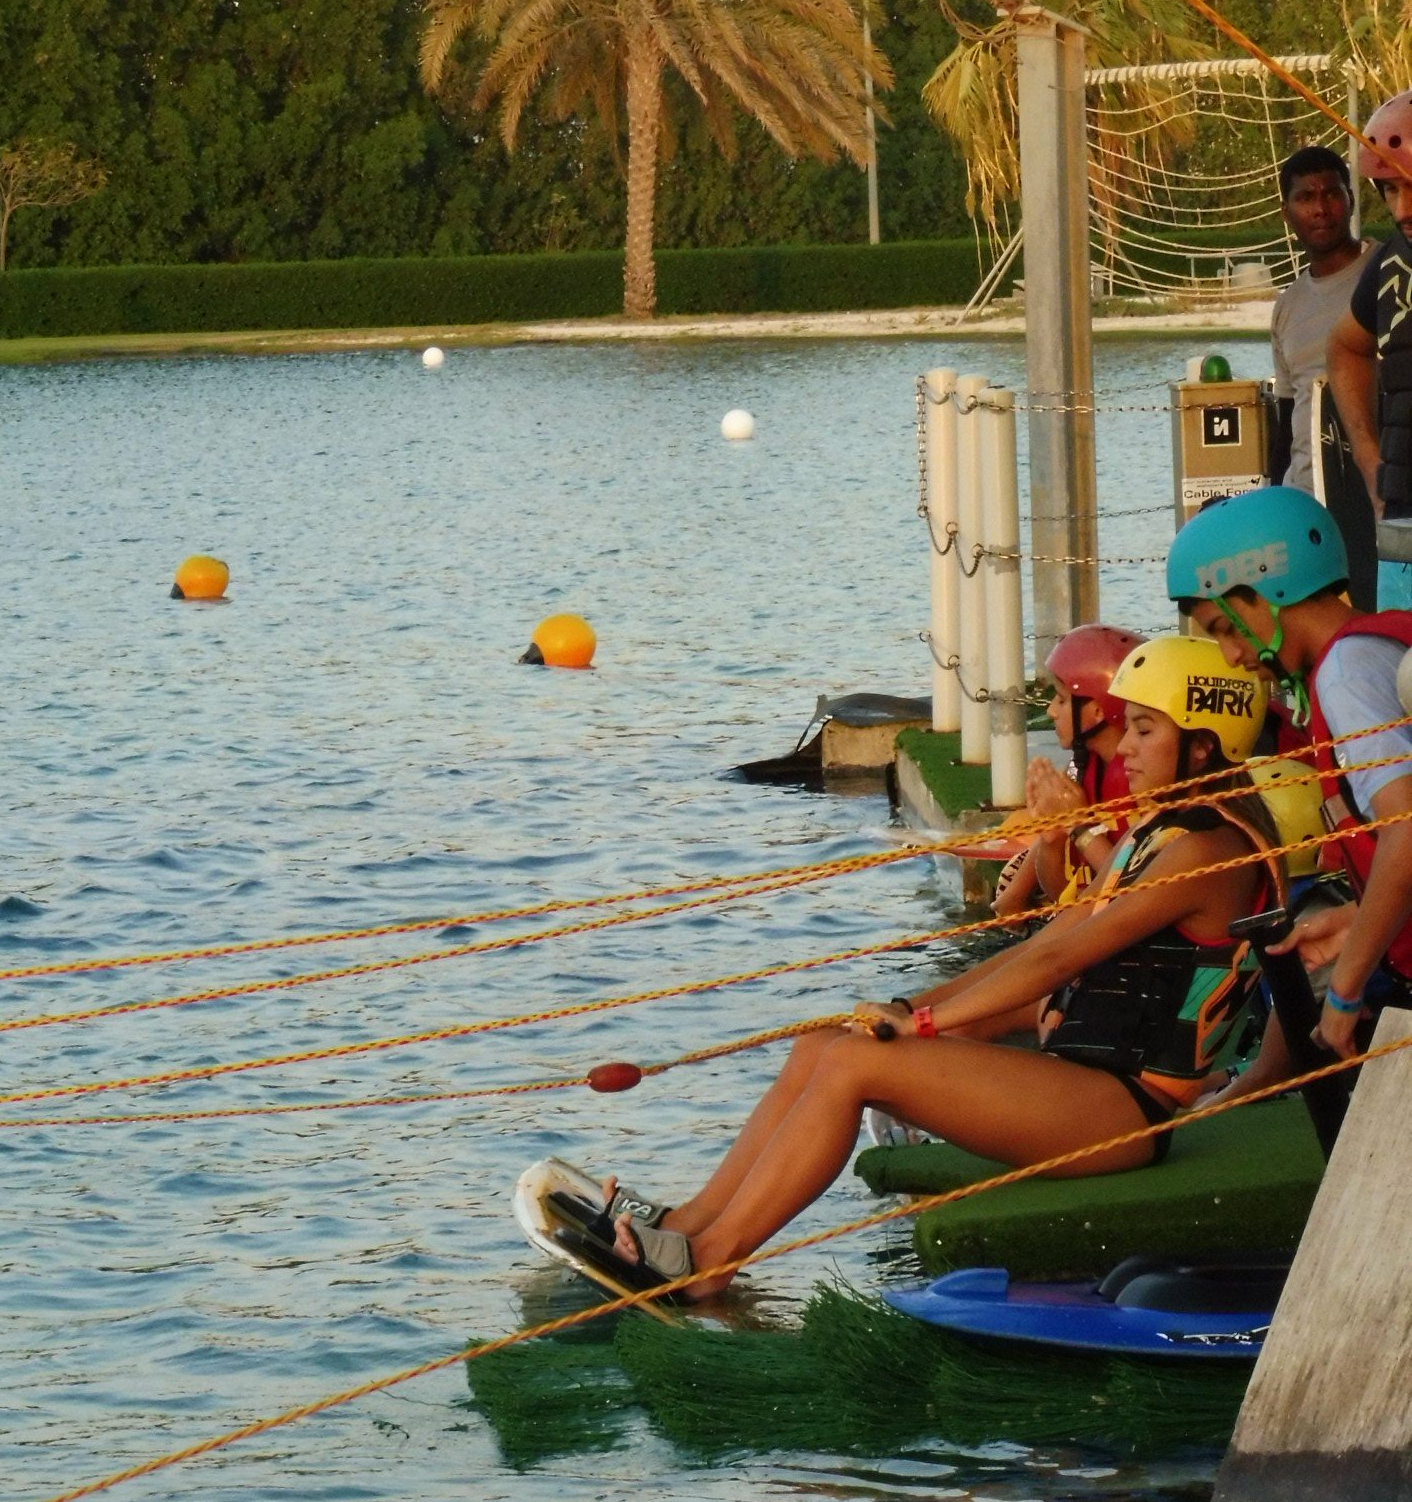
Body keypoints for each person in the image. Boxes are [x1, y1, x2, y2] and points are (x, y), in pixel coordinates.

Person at [556, 641, 1282, 1300]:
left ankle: (707, 1265)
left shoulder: (1209, 851)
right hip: (1084, 1086)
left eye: (1145, 731)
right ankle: (686, 1224)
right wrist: (906, 1005)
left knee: (852, 1070)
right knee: (827, 1046)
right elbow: (1033, 950)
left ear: (1204, 744)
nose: (1124, 747)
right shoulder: (1158, 834)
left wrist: (927, 1026)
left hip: (1125, 1111)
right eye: (1126, 727)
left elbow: (1063, 958)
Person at [1166, 484, 1412, 1064]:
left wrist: (1347, 989)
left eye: (1224, 626)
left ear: (1266, 593)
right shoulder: (1377, 646)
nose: (1230, 655)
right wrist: (1358, 920)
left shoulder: (1345, 676)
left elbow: (1405, 833)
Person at [992, 623, 1144, 920]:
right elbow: (1060, 895)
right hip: (1094, 915)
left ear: (1099, 711)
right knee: (1013, 876)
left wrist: (1079, 824)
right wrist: (1051, 841)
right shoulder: (1089, 762)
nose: (1050, 710)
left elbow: (1134, 887)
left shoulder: (1139, 777)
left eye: (1061, 699)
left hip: (1131, 923)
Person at [1327, 90, 1412, 612]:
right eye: (1390, 191)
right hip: (1403, 525)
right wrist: (1371, 464)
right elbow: (1344, 348)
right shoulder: (1389, 267)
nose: (1403, 211)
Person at [1270, 146, 1372, 493]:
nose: (1320, 209)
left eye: (1331, 193)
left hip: (1375, 496)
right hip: (1305, 505)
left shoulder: (1389, 273)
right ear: (1287, 212)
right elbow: (1286, 423)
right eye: (1306, 197)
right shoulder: (1287, 307)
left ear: (1350, 201)